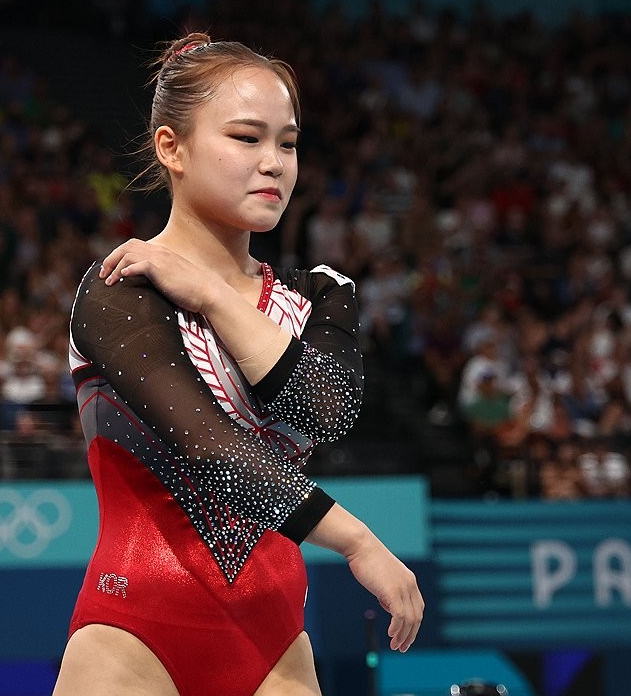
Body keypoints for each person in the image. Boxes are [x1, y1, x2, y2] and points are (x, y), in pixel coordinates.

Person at [53, 34, 423, 696]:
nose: (274, 163)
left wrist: (212, 295)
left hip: (275, 643)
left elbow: (324, 413)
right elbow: (209, 448)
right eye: (247, 138)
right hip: (134, 634)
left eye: (287, 142)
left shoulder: (320, 293)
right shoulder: (119, 290)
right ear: (173, 148)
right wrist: (358, 540)